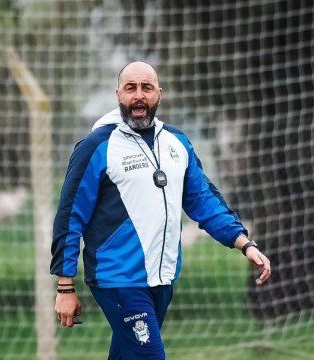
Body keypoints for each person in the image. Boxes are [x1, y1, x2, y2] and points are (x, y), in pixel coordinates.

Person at [50, 61, 271, 359]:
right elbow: (69, 216)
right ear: (118, 94)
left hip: (162, 278)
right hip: (118, 278)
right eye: (130, 88)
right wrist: (65, 287)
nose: (138, 95)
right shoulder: (96, 146)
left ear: (159, 94)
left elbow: (203, 200)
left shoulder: (176, 142)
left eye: (146, 88)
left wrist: (244, 243)